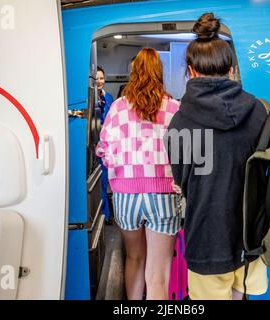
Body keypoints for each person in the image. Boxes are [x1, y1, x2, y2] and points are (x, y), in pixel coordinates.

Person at [165, 13, 269, 300]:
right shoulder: (259, 112)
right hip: (251, 234)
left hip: (207, 236)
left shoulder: (179, 124)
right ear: (232, 68)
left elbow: (182, 183)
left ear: (191, 70)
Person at [96, 48, 181, 300]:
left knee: (134, 257)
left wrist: (121, 169)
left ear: (134, 73)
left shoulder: (119, 107)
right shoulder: (174, 108)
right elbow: (183, 154)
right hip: (164, 195)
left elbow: (103, 148)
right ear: (159, 73)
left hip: (125, 196)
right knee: (158, 275)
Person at [96, 66, 114, 224]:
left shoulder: (109, 98)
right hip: (94, 144)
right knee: (100, 183)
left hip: (107, 145)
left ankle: (107, 214)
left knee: (106, 180)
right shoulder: (89, 99)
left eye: (101, 78)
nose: (99, 81)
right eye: (96, 78)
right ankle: (104, 216)